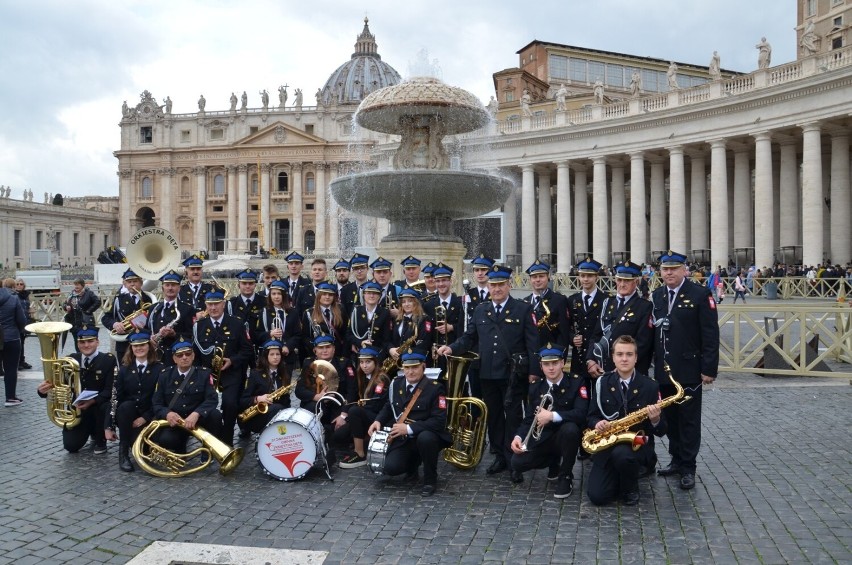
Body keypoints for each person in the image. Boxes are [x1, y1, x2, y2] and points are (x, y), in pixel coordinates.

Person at [437, 264, 539, 478]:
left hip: (513, 375)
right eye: (493, 285)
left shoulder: (523, 309)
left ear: (509, 285)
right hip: (487, 373)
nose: (497, 289)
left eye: (501, 285)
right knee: (493, 417)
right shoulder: (481, 309)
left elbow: (532, 344)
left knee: (513, 416)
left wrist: (534, 371)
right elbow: (469, 337)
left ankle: (514, 461)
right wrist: (452, 347)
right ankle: (500, 457)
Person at [651, 251, 719, 491]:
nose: (669, 273)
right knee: (671, 419)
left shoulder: (700, 294)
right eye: (665, 269)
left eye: (674, 269)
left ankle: (688, 466)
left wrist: (708, 368)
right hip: (664, 370)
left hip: (690, 369)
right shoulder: (657, 295)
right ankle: (676, 459)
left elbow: (710, 334)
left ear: (684, 270)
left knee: (689, 420)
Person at [586, 335, 666, 506]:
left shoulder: (650, 386)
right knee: (597, 497)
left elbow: (662, 430)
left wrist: (656, 419)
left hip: (636, 445)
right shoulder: (602, 383)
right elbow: (591, 416)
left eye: (629, 354)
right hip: (608, 444)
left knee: (622, 455)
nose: (624, 359)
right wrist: (597, 423)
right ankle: (619, 477)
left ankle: (630, 487)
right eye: (620, 354)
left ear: (636, 358)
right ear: (613, 357)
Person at [367, 349, 451, 496]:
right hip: (403, 438)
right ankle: (412, 467)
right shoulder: (396, 383)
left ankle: (430, 479)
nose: (410, 372)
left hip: (427, 435)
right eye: (407, 368)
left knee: (426, 438)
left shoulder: (436, 388)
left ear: (423, 367)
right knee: (391, 468)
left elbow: (439, 421)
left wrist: (409, 428)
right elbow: (389, 405)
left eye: (415, 367)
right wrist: (378, 420)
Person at [510, 344, 587, 496]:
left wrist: (551, 416)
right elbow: (529, 418)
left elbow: (581, 413)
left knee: (570, 429)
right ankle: (553, 462)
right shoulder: (535, 388)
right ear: (541, 366)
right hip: (544, 438)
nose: (551, 368)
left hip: (566, 436)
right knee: (517, 463)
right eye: (546, 364)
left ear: (562, 363)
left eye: (555, 363)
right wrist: (518, 437)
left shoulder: (577, 382)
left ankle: (565, 476)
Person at [37, 328, 116, 452]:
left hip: (98, 407)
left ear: (97, 342)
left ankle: (100, 438)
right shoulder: (70, 360)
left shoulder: (108, 360)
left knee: (105, 405)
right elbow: (56, 386)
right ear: (77, 344)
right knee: (71, 446)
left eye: (90, 341)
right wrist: (42, 391)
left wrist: (92, 401)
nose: (86, 345)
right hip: (77, 410)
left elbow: (109, 390)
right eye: (82, 342)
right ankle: (89, 432)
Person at [192, 291, 254, 446]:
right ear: (206, 306)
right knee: (206, 408)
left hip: (231, 373)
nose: (213, 308)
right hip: (208, 375)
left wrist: (232, 360)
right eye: (210, 304)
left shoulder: (237, 324)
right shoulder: (199, 326)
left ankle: (227, 441)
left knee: (230, 404)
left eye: (217, 304)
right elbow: (197, 355)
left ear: (223, 304)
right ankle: (207, 443)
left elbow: (247, 351)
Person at [150, 341, 223, 454]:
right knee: (166, 440)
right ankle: (180, 447)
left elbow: (212, 399)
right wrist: (167, 414)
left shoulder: (204, 374)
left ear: (193, 356)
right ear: (174, 359)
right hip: (175, 421)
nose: (184, 357)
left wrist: (197, 413)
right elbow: (157, 403)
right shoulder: (165, 375)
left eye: (188, 354)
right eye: (180, 355)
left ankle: (208, 450)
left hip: (197, 419)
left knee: (215, 416)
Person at [586, 261, 654, 377]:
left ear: (636, 282)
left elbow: (643, 343)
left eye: (627, 281)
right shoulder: (607, 303)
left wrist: (622, 365)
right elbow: (596, 335)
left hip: (630, 371)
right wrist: (590, 360)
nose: (622, 284)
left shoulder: (644, 306)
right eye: (619, 280)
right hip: (604, 369)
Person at [106, 331, 162, 472]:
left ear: (149, 346)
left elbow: (160, 399)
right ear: (131, 348)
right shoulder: (124, 370)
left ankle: (137, 443)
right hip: (127, 417)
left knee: (144, 450)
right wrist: (108, 426)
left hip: (149, 416)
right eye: (135, 346)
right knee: (125, 406)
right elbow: (114, 398)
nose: (139, 348)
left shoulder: (160, 369)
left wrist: (145, 417)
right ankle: (123, 452)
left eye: (142, 345)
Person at [337, 346, 391, 468]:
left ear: (375, 362)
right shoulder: (361, 376)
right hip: (365, 413)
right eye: (361, 362)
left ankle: (360, 453)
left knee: (355, 411)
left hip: (378, 417)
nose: (364, 366)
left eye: (368, 362)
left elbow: (375, 405)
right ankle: (361, 441)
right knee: (338, 436)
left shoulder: (381, 379)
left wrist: (356, 409)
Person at [102, 269, 155, 363]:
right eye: (129, 282)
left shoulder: (149, 299)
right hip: (124, 345)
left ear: (141, 283)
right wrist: (115, 324)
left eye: (135, 281)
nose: (132, 284)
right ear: (125, 284)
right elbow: (106, 318)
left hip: (144, 343)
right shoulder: (119, 300)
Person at [239, 340, 291, 436]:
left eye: (278, 354)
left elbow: (287, 401)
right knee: (277, 408)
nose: (275, 357)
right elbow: (243, 401)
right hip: (257, 417)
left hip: (279, 415)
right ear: (266, 356)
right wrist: (258, 399)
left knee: (279, 408)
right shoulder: (255, 374)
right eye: (271, 354)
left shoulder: (284, 373)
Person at [248, 280, 300, 376]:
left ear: (284, 295)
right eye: (273, 294)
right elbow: (257, 335)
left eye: (279, 294)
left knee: (284, 386)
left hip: (286, 355)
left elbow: (297, 335)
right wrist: (269, 334)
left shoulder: (293, 312)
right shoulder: (264, 312)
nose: (276, 297)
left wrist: (288, 346)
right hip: (268, 356)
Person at [145, 270, 195, 366]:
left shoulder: (187, 309)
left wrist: (174, 334)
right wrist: (149, 338)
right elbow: (147, 328)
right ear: (162, 287)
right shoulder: (153, 308)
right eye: (167, 285)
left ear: (179, 288)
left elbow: (191, 335)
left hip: (175, 357)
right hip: (154, 355)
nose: (170, 288)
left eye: (173, 285)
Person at [524, 260, 570, 350]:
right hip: (531, 356)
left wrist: (559, 356)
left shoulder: (559, 300)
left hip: (551, 355)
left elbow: (563, 333)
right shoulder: (525, 302)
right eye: (534, 277)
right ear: (530, 280)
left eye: (541, 276)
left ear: (548, 277)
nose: (538, 280)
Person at [346, 281, 391, 365]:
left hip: (377, 356)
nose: (371, 296)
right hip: (360, 355)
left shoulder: (385, 313)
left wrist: (379, 355)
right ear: (363, 295)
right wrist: (360, 342)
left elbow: (386, 339)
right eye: (368, 293)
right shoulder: (356, 311)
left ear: (379, 296)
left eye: (375, 293)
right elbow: (349, 335)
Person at [387, 288, 433, 366]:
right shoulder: (397, 319)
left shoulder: (424, 319)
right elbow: (388, 339)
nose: (406, 304)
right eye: (403, 302)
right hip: (396, 362)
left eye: (410, 301)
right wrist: (391, 349)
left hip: (414, 362)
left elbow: (424, 343)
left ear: (416, 303)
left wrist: (405, 355)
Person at [1, 278, 28, 405]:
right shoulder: (13, 298)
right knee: (11, 368)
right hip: (11, 337)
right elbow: (21, 320)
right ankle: (10, 397)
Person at [301, 282, 346, 356]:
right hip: (318, 353)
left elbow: (344, 333)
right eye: (324, 294)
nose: (327, 297)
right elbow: (305, 336)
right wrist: (316, 348)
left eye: (330, 295)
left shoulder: (341, 310)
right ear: (319, 296)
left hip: (337, 352)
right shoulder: (309, 313)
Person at [64, 277, 100, 352]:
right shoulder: (71, 294)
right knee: (77, 340)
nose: (76, 286)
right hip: (74, 321)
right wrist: (66, 307)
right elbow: (64, 304)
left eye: (78, 285)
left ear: (82, 285)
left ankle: (88, 355)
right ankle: (79, 357)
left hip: (85, 320)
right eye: (75, 285)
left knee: (86, 339)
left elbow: (97, 302)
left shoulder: (88, 293)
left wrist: (88, 311)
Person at [14, 279, 33, 370]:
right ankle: (17, 362)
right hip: (17, 322)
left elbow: (27, 306)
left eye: (21, 284)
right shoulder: (13, 295)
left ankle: (22, 360)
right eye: (17, 284)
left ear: (24, 286)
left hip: (25, 320)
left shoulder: (26, 295)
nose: (19, 285)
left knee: (23, 342)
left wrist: (30, 310)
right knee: (18, 342)